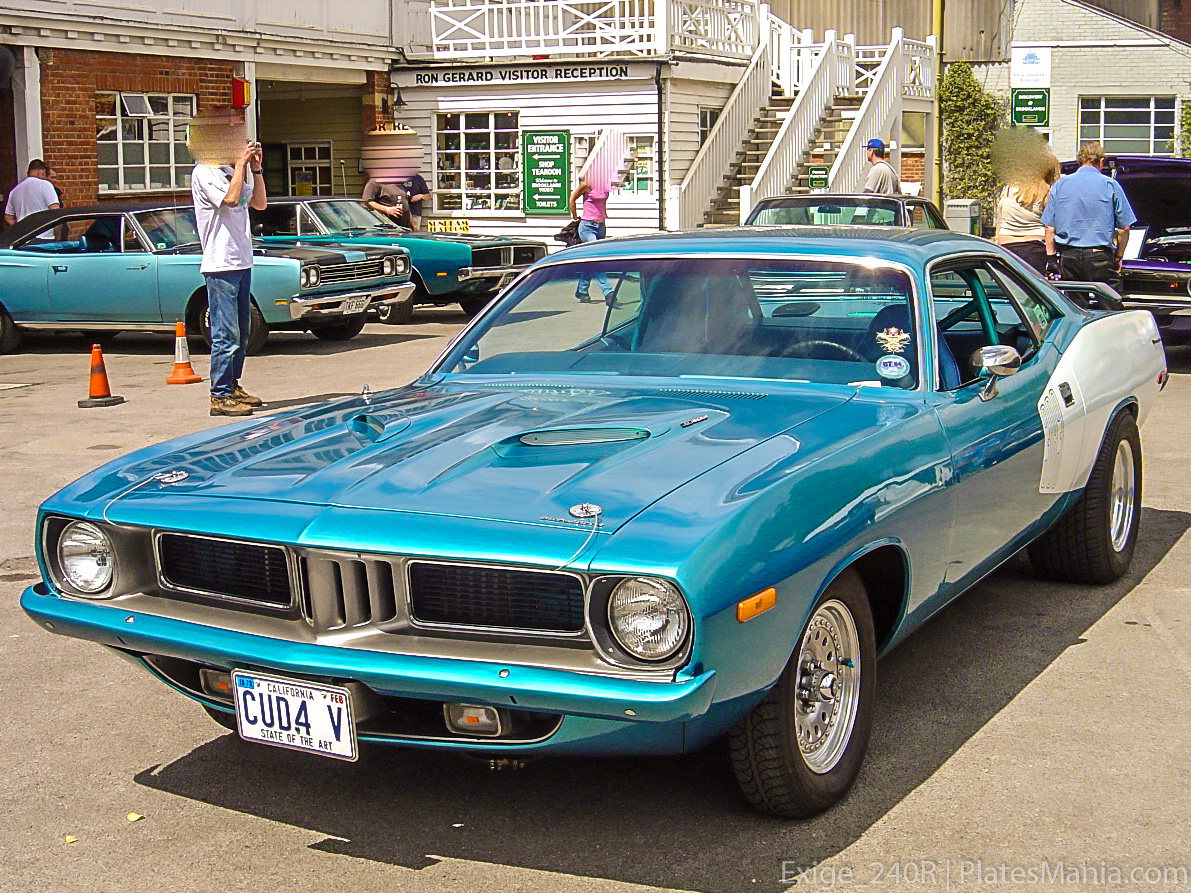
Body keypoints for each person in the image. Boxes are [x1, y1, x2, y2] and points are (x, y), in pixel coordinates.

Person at [190, 108, 269, 418]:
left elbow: (259, 203)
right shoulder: (205, 171)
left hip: (241, 260)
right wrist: (240, 164)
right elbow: (232, 200)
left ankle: (233, 385)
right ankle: (219, 394)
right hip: (220, 264)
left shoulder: (226, 170)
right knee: (226, 332)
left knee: (243, 330)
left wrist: (257, 169)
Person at [1042, 141, 1136, 289]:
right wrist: (1118, 256)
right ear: (1101, 161)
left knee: (1076, 306)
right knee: (1110, 305)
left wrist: (1051, 259)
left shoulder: (1060, 185)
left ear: (1079, 161)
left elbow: (1049, 227)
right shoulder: (1110, 185)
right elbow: (1124, 228)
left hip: (1069, 256)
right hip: (1099, 256)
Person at [994, 153, 1059, 274]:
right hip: (1035, 248)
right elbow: (1049, 228)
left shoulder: (1009, 188)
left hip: (1006, 246)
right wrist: (1051, 257)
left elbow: (999, 218)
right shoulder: (1047, 192)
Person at [568, 176, 613, 303]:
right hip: (587, 227)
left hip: (600, 226)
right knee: (597, 258)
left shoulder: (605, 184)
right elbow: (572, 199)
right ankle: (608, 291)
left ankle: (582, 290)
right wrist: (575, 216)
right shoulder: (586, 184)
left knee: (591, 261)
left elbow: (602, 202)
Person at [4, 159, 61, 234]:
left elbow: (8, 218)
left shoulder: (14, 191)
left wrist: (20, 228)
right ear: (43, 172)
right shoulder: (45, 185)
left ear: (28, 173)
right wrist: (58, 235)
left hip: (23, 238)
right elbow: (55, 212)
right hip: (43, 237)